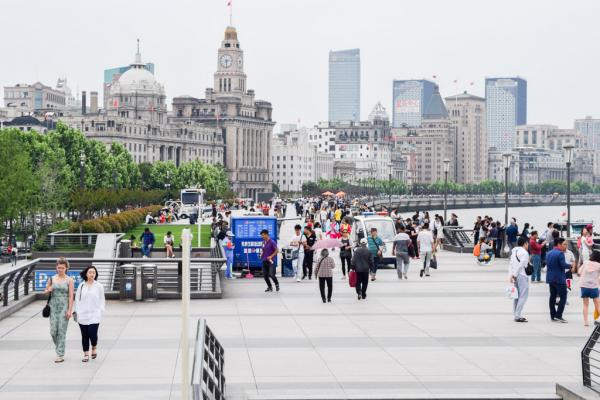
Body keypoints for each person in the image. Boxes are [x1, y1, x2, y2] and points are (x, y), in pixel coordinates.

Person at [44, 257, 74, 363]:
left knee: (61, 330)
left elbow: (71, 296)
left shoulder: (69, 280)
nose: (60, 269)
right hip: (53, 307)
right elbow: (46, 291)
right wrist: (48, 289)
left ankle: (60, 354)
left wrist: (70, 310)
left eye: (62, 268)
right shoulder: (52, 278)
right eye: (58, 267)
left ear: (66, 268)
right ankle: (59, 347)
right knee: (53, 331)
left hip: (64, 307)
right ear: (56, 268)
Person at [74, 265, 105, 362]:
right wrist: (77, 311)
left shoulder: (99, 286)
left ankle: (94, 347)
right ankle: (86, 353)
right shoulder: (81, 285)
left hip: (95, 314)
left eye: (94, 272)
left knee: (92, 334)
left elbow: (102, 299)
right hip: (82, 314)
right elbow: (77, 299)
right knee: (84, 335)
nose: (92, 274)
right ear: (86, 274)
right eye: (90, 272)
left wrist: (100, 310)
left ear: (96, 274)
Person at [546, 238, 573, 322]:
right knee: (563, 297)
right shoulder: (560, 253)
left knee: (552, 297)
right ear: (559, 244)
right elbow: (563, 265)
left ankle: (553, 315)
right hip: (559, 278)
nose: (564, 246)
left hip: (550, 278)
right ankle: (558, 315)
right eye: (564, 244)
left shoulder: (549, 253)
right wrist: (570, 266)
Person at [509, 237, 530, 322]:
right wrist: (515, 274)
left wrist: (512, 275)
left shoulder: (514, 252)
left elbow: (511, 264)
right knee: (523, 296)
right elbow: (522, 265)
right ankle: (517, 315)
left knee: (516, 296)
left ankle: (516, 313)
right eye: (527, 244)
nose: (528, 245)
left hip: (515, 275)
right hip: (522, 275)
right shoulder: (524, 253)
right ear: (525, 243)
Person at [578, 250, 600, 326]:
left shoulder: (586, 262)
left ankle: (586, 322)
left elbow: (579, 272)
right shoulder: (599, 265)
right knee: (597, 304)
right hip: (594, 286)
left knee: (585, 304)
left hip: (584, 285)